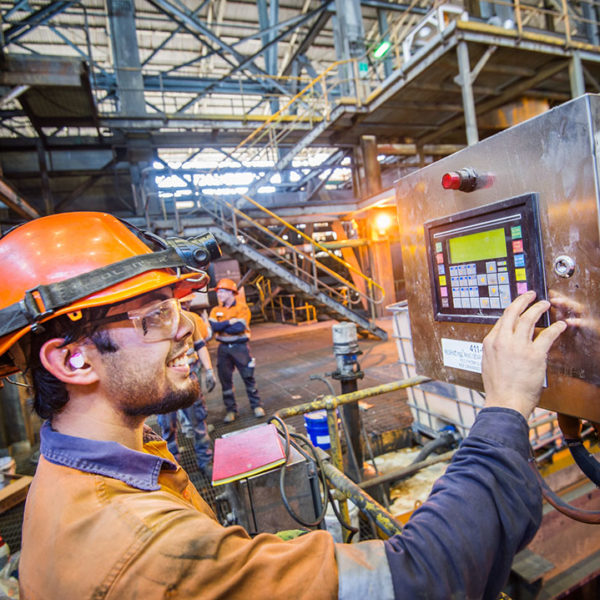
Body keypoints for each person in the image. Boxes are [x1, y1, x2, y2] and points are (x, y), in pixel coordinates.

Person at [0, 212, 567, 600]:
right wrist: (506, 406)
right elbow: (423, 579)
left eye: (180, 309)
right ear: (72, 362)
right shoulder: (140, 545)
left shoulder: (72, 474)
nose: (191, 331)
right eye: (155, 318)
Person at [157, 306, 216, 478]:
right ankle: (174, 467)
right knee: (167, 427)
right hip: (164, 381)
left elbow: (200, 345)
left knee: (197, 422)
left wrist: (209, 370)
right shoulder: (155, 322)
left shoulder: (190, 318)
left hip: (187, 376)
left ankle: (205, 461)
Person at [209, 278, 264, 422]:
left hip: (240, 348)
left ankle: (256, 406)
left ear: (230, 292)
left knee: (248, 377)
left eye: (221, 292)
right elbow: (214, 327)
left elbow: (239, 327)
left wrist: (223, 325)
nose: (219, 295)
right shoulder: (216, 310)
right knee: (225, 380)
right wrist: (230, 322)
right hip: (223, 349)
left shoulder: (242, 308)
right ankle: (231, 411)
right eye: (218, 292)